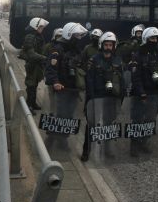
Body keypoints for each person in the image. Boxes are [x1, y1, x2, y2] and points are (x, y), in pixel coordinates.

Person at [44, 22, 88, 151]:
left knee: (69, 116)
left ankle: (63, 140)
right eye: (77, 35)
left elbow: (81, 67)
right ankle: (51, 140)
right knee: (59, 115)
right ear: (69, 35)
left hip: (73, 90)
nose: (79, 38)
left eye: (80, 35)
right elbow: (50, 69)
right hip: (61, 89)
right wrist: (55, 82)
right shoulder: (57, 49)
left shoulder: (76, 51)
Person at [82, 31, 124, 161]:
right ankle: (86, 151)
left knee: (108, 124)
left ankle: (107, 149)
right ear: (102, 45)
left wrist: (120, 98)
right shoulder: (94, 60)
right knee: (91, 124)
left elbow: (122, 80)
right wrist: (91, 99)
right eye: (106, 45)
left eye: (110, 45)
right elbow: (89, 80)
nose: (108, 48)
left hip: (111, 98)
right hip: (97, 97)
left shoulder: (118, 60)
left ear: (114, 46)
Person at [130, 27, 158, 156]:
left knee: (150, 119)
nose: (154, 40)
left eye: (156, 38)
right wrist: (141, 92)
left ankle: (144, 142)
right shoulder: (138, 55)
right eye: (152, 38)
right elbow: (136, 76)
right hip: (141, 93)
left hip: (154, 92)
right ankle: (134, 145)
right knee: (137, 119)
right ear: (146, 39)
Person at [20, 17, 49, 112]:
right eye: (41, 27)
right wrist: (44, 58)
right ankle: (29, 106)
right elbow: (31, 54)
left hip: (37, 64)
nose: (42, 29)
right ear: (35, 27)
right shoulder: (30, 37)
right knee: (31, 85)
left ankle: (33, 103)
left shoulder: (37, 36)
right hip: (32, 65)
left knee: (35, 84)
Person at [43, 28, 63, 111]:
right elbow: (43, 58)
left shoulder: (62, 47)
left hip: (59, 74)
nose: (59, 38)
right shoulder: (48, 46)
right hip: (49, 72)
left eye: (61, 36)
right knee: (51, 94)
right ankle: (51, 111)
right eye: (58, 36)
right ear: (54, 36)